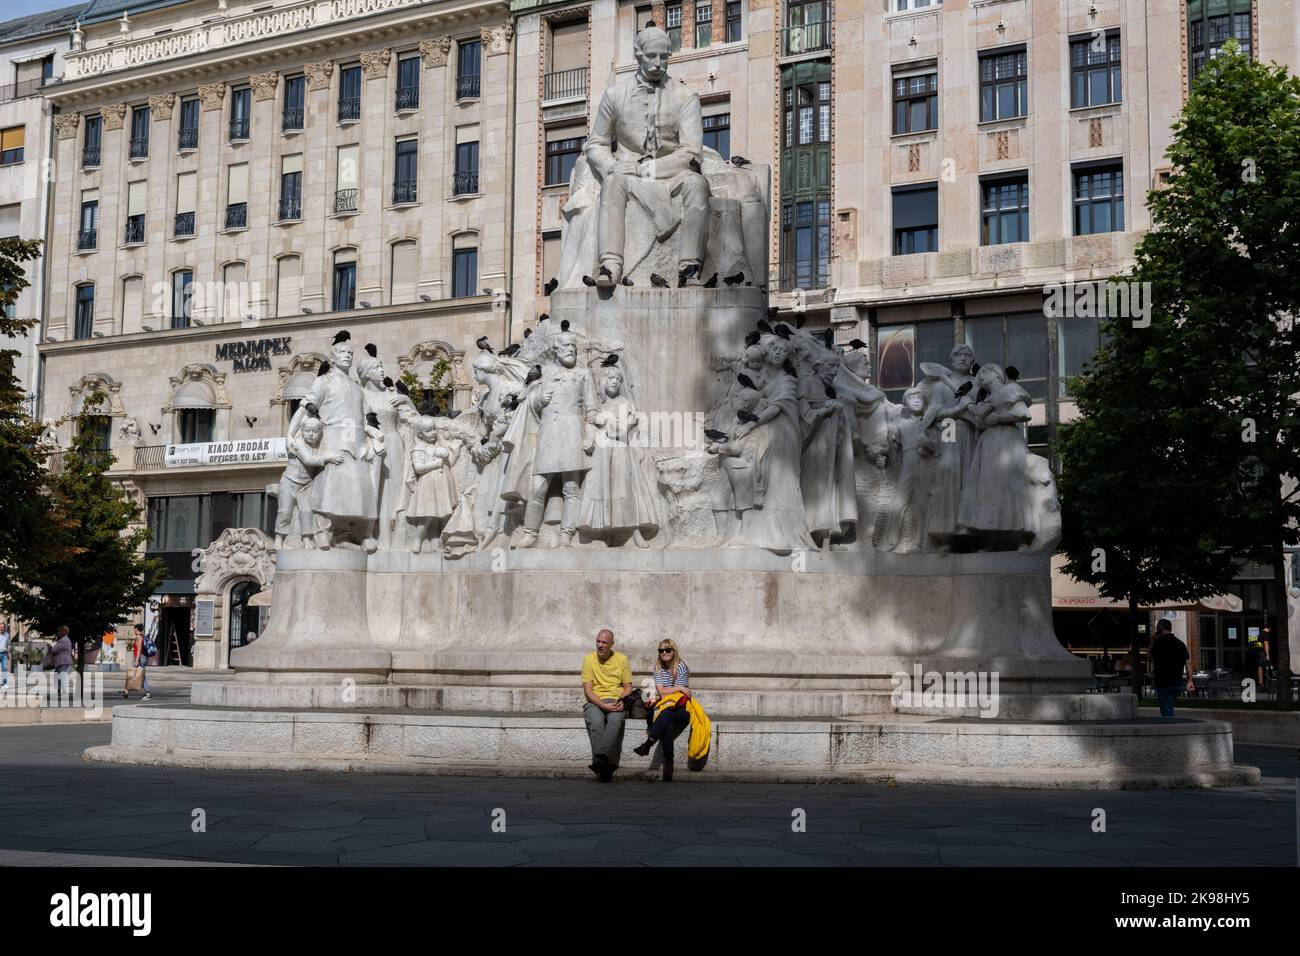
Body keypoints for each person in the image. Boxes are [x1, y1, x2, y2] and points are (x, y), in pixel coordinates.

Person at [585, 25, 710, 288]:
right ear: (638, 55)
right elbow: (596, 143)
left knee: (697, 185)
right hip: (626, 171)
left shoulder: (685, 97)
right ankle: (610, 265)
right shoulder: (615, 96)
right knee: (612, 183)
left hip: (671, 173)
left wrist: (650, 170)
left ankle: (688, 268)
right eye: (651, 56)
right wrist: (611, 166)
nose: (658, 63)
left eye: (663, 57)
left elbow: (691, 150)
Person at [632, 638, 691, 781]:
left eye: (668, 650)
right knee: (668, 724)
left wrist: (676, 690)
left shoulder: (681, 667)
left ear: (674, 651)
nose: (664, 653)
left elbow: (678, 696)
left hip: (681, 710)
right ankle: (669, 763)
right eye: (661, 650)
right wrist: (679, 687)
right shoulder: (658, 669)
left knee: (669, 712)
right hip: (663, 709)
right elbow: (662, 692)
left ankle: (648, 744)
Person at [581, 628, 632, 782]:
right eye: (598, 641)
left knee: (615, 721)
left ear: (611, 644)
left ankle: (599, 762)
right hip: (594, 701)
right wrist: (603, 706)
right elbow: (588, 692)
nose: (600, 645)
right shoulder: (589, 659)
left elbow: (628, 687)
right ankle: (607, 764)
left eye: (604, 642)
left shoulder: (621, 659)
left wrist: (620, 700)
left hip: (616, 700)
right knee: (596, 722)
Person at [1149, 619, 1193, 717]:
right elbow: (1188, 663)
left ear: (1160, 628)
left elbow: (1149, 657)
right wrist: (1190, 680)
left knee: (1167, 711)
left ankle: (1170, 728)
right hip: (1177, 681)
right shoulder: (1180, 644)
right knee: (1169, 706)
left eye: (1157, 628)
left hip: (1163, 682)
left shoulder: (1158, 643)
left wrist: (1152, 642)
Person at [121, 623, 152, 702]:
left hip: (140, 658)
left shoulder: (139, 637)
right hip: (142, 657)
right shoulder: (142, 636)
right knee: (138, 674)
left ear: (136, 629)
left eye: (134, 629)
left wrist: (136, 661)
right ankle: (126, 691)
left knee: (141, 675)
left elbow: (139, 649)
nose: (133, 631)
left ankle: (147, 694)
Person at [50, 626, 73, 700]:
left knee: (61, 677)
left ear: (64, 632)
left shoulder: (63, 640)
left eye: (60, 631)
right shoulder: (65, 639)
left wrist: (51, 648)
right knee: (58, 677)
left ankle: (63, 692)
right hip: (62, 661)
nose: (58, 633)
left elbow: (54, 650)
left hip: (63, 661)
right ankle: (60, 692)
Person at [0, 622, 10, 691]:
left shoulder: (7, 635)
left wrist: (8, 650)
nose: (1, 628)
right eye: (0, 627)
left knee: (4, 668)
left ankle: (5, 684)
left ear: (5, 628)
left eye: (2, 627)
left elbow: (9, 644)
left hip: (4, 654)